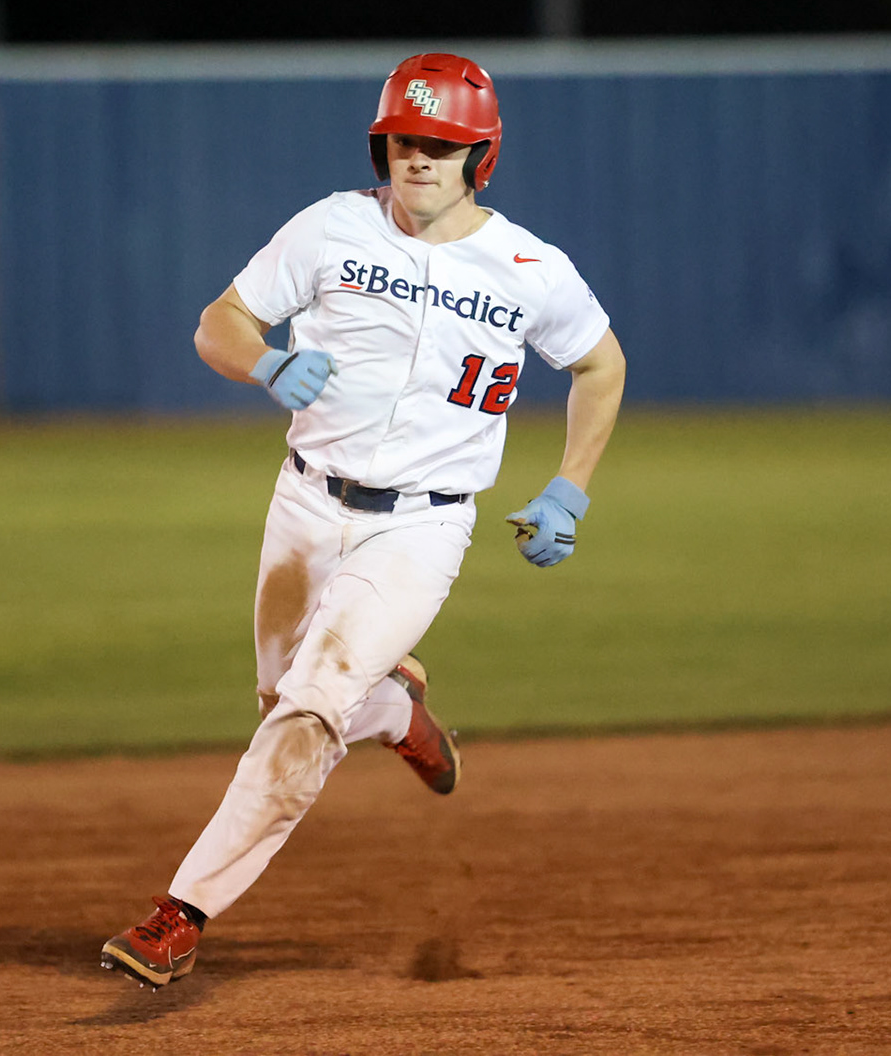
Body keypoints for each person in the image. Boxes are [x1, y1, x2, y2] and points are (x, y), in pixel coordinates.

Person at [100, 52, 626, 989]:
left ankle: (179, 916)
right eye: (401, 142)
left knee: (305, 713)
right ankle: (395, 709)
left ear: (480, 158)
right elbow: (218, 321)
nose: (416, 159)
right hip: (304, 501)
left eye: (440, 144)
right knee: (286, 706)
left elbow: (601, 365)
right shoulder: (331, 227)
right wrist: (261, 365)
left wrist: (570, 488)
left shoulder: (530, 268)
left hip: (421, 528)